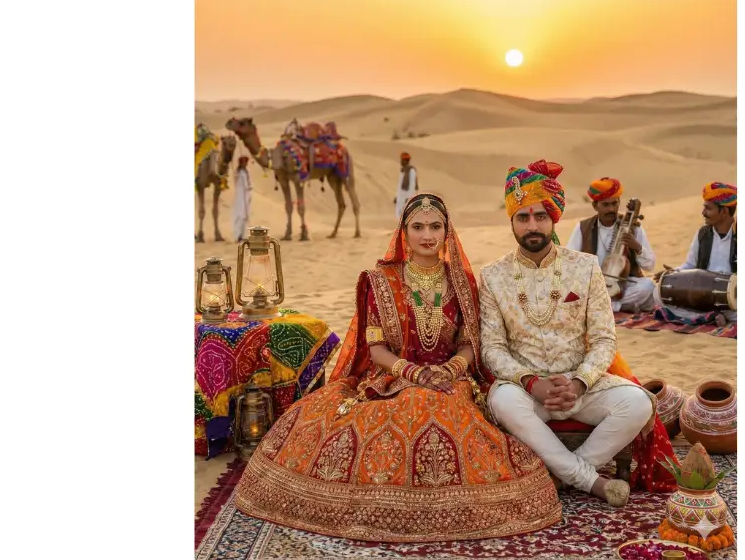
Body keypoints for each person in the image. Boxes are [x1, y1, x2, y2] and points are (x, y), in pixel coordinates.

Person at [233, 193, 561, 542]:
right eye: (417, 226)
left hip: (450, 379)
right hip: (391, 377)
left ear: (447, 231)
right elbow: (375, 350)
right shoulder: (381, 280)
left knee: (442, 410)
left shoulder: (462, 282)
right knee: (403, 407)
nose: (427, 234)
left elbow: (469, 344)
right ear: (404, 232)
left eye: (435, 226)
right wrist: (414, 373)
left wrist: (450, 369)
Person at [478, 160, 679, 510]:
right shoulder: (493, 276)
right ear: (511, 221)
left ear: (554, 218)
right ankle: (590, 480)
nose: (532, 225)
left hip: (581, 385)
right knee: (501, 401)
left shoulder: (585, 267)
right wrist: (532, 384)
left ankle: (563, 475)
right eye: (522, 217)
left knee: (640, 402)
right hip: (526, 389)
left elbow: (604, 340)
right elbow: (492, 348)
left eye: (540, 215)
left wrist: (579, 384)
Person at [564, 177, 658, 312]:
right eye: (606, 205)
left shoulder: (633, 226)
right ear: (595, 206)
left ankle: (599, 306)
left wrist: (636, 247)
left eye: (615, 204)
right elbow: (569, 262)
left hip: (622, 287)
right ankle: (618, 307)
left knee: (648, 286)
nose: (611, 209)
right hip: (592, 285)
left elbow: (650, 265)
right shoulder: (582, 228)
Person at [663, 181, 737, 275]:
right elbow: (690, 265)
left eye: (708, 208)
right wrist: (674, 273)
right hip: (705, 288)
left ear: (724, 211)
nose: (703, 213)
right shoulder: (703, 234)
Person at [232, 156, 252, 243]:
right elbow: (243, 185)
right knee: (239, 216)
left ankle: (242, 235)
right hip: (241, 196)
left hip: (246, 196)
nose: (246, 164)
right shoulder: (239, 173)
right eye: (245, 162)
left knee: (244, 217)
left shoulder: (245, 172)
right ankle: (237, 236)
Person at [393, 152, 419, 220]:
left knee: (408, 216)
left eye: (402, 160)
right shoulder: (402, 170)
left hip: (407, 197)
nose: (401, 161)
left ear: (405, 161)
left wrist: (409, 198)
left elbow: (412, 186)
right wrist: (397, 196)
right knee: (400, 215)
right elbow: (399, 185)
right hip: (401, 197)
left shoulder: (411, 170)